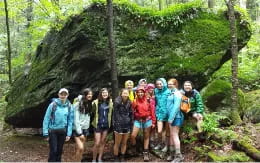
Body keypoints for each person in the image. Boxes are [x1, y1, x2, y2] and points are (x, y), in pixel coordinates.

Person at [42, 88, 74, 162]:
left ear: (67, 95)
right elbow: (46, 119)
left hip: (63, 131)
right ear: (58, 95)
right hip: (52, 131)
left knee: (59, 150)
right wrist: (45, 133)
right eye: (61, 94)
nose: (63, 96)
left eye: (65, 94)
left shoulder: (69, 106)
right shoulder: (52, 105)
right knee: (54, 150)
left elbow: (70, 120)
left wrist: (69, 134)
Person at [131, 87, 156, 162]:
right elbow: (132, 112)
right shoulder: (134, 101)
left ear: (144, 92)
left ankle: (145, 153)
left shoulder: (149, 100)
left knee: (146, 136)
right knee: (133, 136)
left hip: (147, 120)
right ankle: (135, 148)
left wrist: (154, 122)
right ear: (136, 93)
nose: (140, 93)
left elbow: (152, 111)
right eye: (138, 92)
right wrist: (135, 116)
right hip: (137, 120)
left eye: (141, 92)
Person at [91, 88, 113, 162]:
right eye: (103, 93)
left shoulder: (110, 102)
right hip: (97, 125)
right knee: (97, 143)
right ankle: (94, 159)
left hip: (106, 125)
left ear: (108, 94)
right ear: (100, 94)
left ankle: (99, 158)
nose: (105, 94)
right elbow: (92, 112)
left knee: (103, 142)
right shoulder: (96, 102)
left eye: (106, 93)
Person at [73, 88, 93, 162]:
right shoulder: (78, 104)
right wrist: (79, 132)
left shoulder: (89, 103)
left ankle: (78, 161)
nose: (90, 95)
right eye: (88, 94)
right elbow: (76, 119)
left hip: (85, 128)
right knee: (80, 147)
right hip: (78, 129)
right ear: (84, 95)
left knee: (81, 149)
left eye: (91, 94)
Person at [113, 88, 133, 162]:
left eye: (127, 93)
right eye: (124, 93)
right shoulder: (117, 102)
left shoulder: (129, 102)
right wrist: (117, 124)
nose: (125, 94)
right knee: (117, 143)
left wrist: (131, 124)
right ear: (121, 94)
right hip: (119, 125)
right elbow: (115, 114)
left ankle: (122, 156)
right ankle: (115, 157)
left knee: (124, 142)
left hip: (127, 125)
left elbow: (131, 114)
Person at [166, 78, 184, 162]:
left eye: (171, 84)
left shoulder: (177, 93)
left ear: (175, 84)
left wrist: (171, 118)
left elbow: (176, 107)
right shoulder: (171, 92)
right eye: (168, 84)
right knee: (172, 135)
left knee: (175, 135)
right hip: (171, 117)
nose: (169, 85)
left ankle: (178, 155)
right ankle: (172, 153)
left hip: (176, 117)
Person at [154, 78, 171, 151]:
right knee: (159, 131)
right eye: (157, 84)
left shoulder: (168, 91)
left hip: (167, 113)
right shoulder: (155, 91)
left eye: (160, 84)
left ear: (164, 83)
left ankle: (167, 146)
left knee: (167, 132)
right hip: (159, 113)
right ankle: (159, 144)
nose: (159, 85)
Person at [145, 83, 156, 148]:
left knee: (153, 130)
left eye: (152, 88)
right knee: (147, 131)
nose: (151, 89)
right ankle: (147, 144)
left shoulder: (154, 96)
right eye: (149, 88)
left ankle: (151, 143)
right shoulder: (146, 97)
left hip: (154, 114)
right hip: (148, 117)